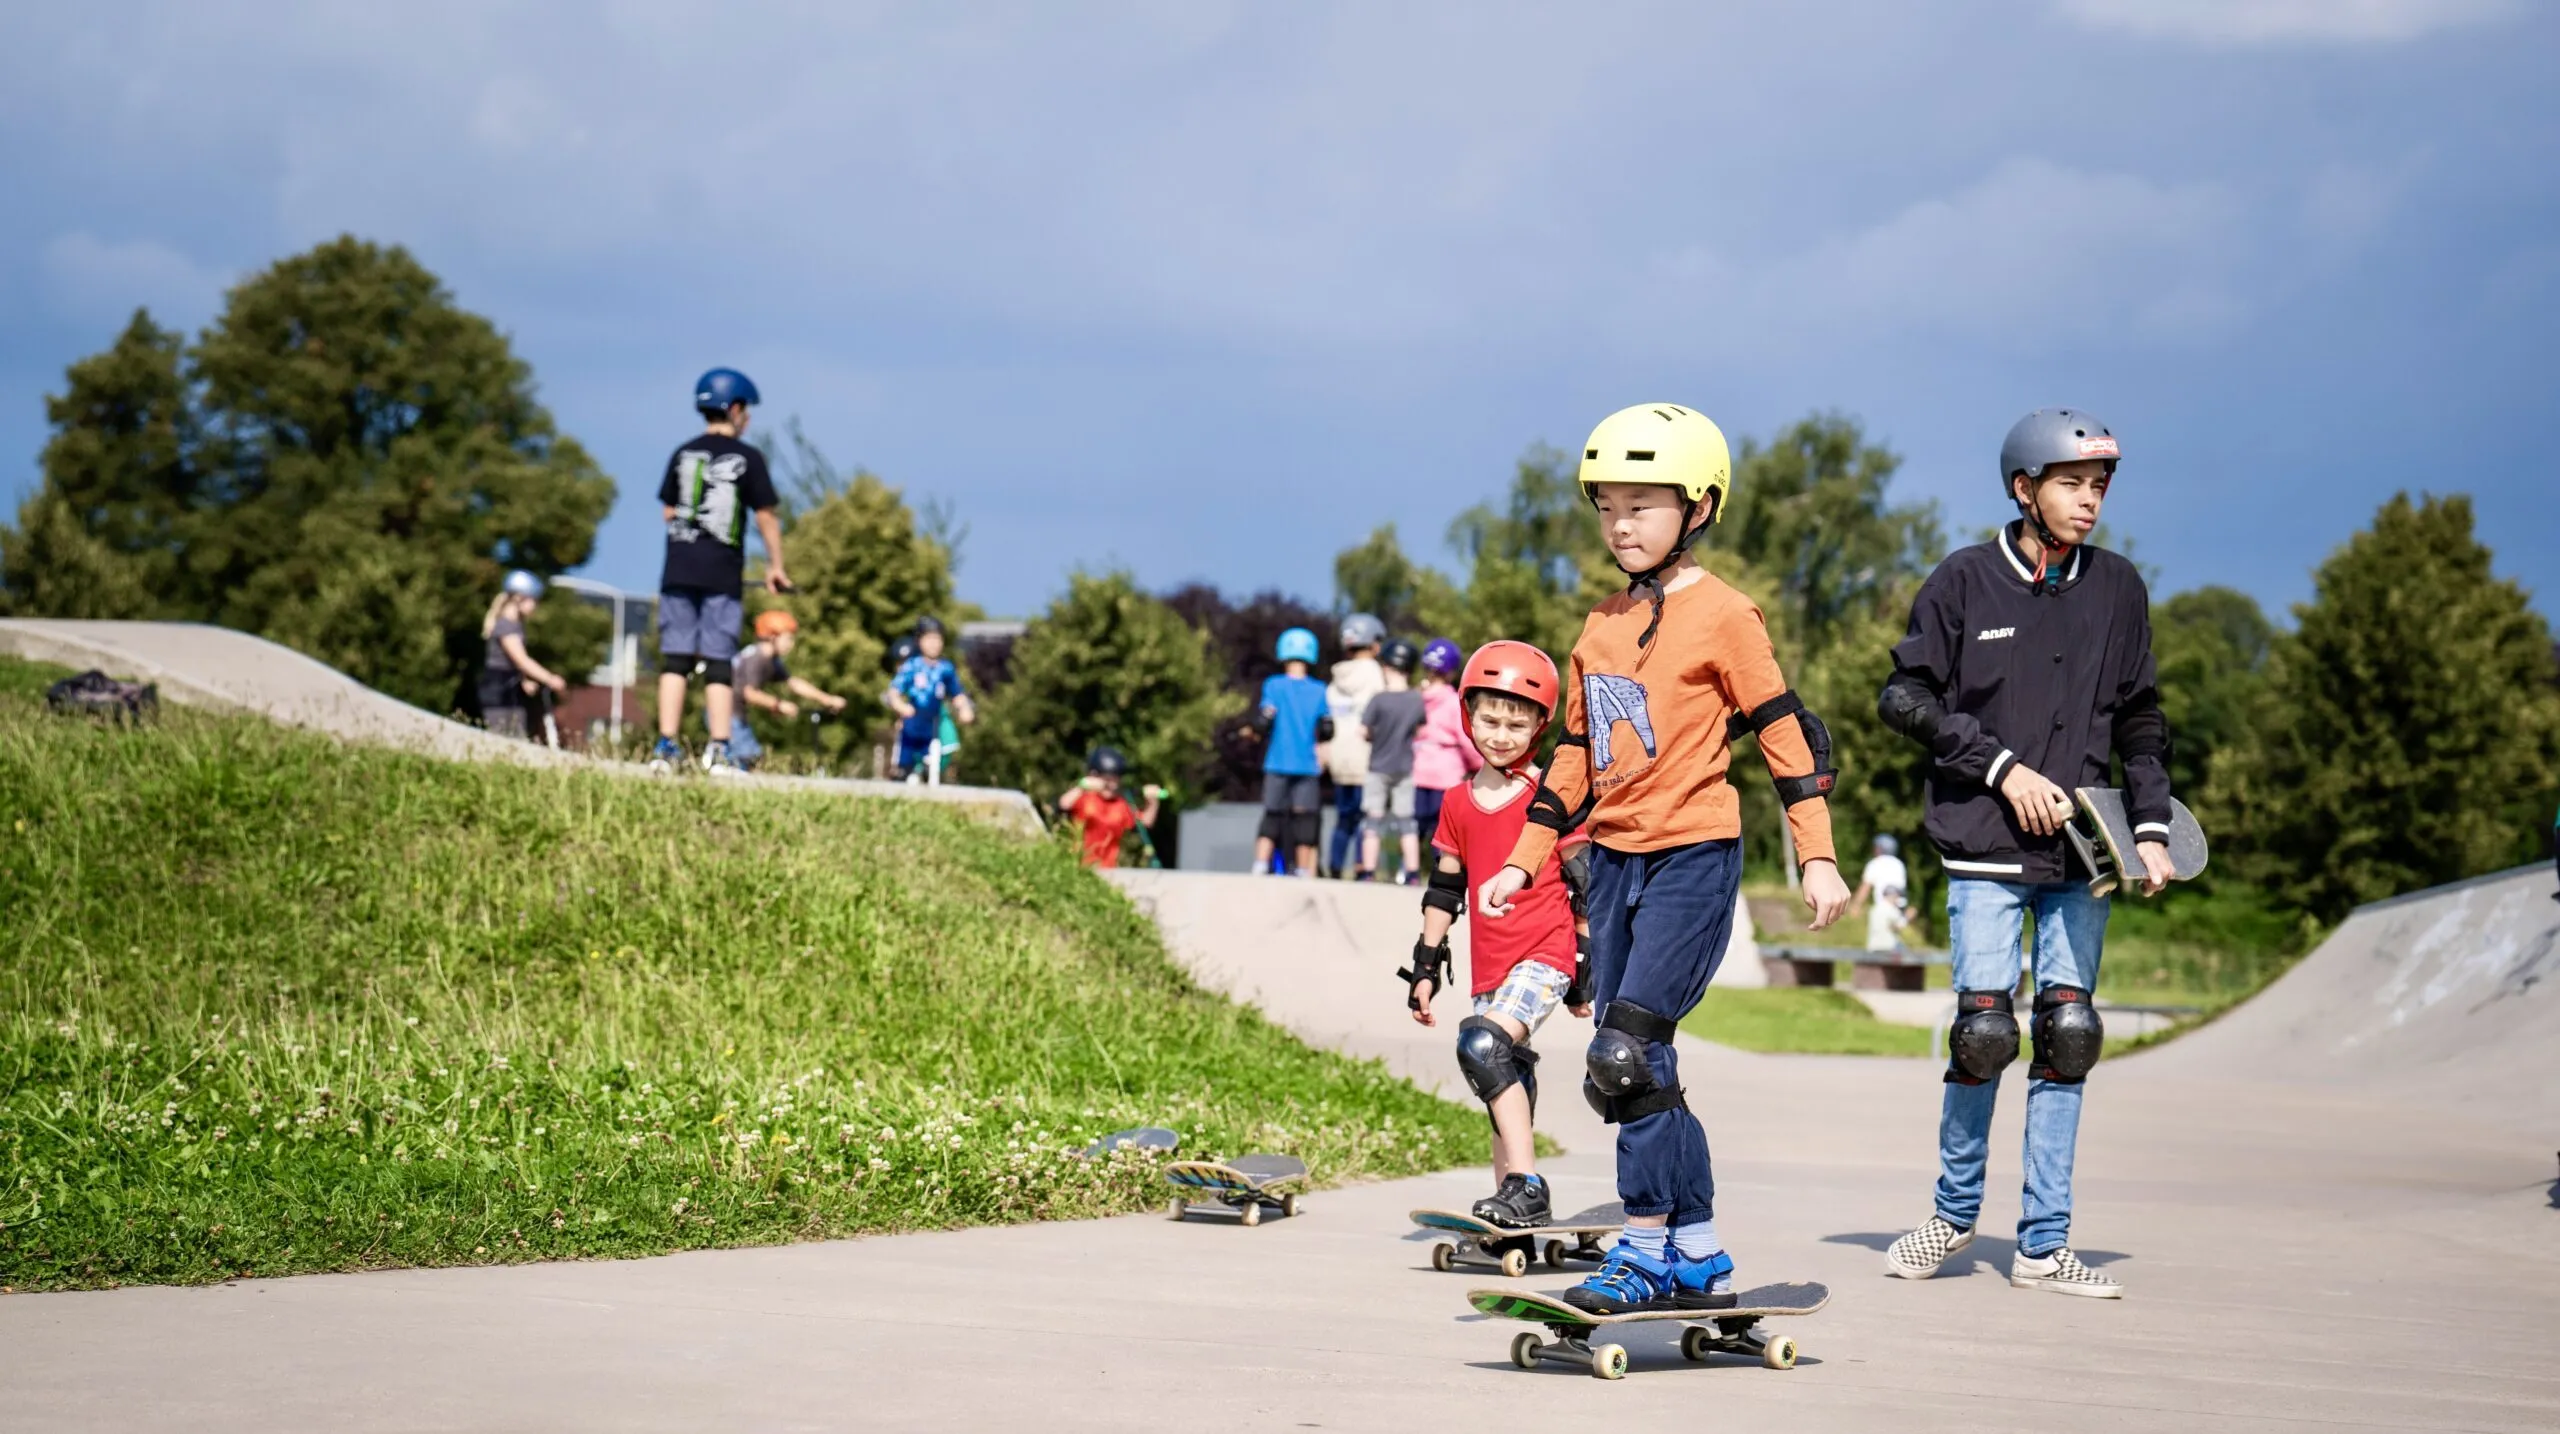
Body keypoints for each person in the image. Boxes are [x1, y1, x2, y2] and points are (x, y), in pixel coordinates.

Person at [1479, 402, 1852, 1315]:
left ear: (1699, 508)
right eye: (1607, 507)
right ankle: (1698, 1252)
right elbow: (1574, 755)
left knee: (1624, 1053)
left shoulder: (1727, 615)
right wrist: (1525, 859)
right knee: (1640, 1068)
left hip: (1693, 857)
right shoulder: (1599, 626)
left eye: (1641, 505)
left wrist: (1817, 856)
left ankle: (1643, 1250)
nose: (1621, 524)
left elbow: (1785, 735)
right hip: (1612, 863)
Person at [1875, 407, 2176, 1300]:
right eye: (2072, 485)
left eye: (2099, 486)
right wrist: (2002, 770)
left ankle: (2044, 1246)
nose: (2090, 501)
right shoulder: (1966, 580)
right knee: (1984, 1032)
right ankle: (1951, 1217)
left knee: (2069, 1036)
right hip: (1984, 844)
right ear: (2023, 489)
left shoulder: (2118, 587)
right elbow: (1904, 697)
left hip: (2083, 854)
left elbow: (2141, 717)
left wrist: (2150, 827)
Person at [1402, 639, 1591, 1228]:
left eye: (1516, 724)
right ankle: (1510, 1209)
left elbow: (1583, 881)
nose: (1501, 735)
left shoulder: (1549, 797)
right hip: (1490, 963)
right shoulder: (1456, 802)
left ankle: (1526, 1184)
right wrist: (1425, 968)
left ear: (1539, 726)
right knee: (1506, 1080)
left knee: (1483, 1047)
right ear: (1468, 715)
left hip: (1546, 951)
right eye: (1490, 720)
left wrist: (1586, 964)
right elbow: (1444, 890)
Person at [650, 368, 790, 777]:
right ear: (735, 408)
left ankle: (666, 746)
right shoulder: (748, 458)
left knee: (675, 659)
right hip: (721, 573)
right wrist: (776, 567)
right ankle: (720, 748)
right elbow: (765, 516)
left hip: (677, 569)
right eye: (747, 411)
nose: (748, 419)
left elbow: (669, 511)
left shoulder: (683, 453)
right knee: (718, 661)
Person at [726, 610, 848, 773]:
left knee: (747, 761)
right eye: (788, 638)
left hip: (736, 715)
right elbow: (749, 693)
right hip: (727, 715)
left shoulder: (770, 659)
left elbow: (793, 683)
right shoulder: (757, 658)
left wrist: (826, 699)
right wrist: (778, 705)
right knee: (751, 759)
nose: (791, 644)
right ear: (772, 637)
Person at [1254, 626, 1333, 876]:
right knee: (1304, 819)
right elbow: (1327, 729)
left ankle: (1260, 865)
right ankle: (1302, 869)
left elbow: (1264, 719)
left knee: (1272, 815)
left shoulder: (1273, 685)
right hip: (1307, 763)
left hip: (1277, 760)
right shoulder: (1319, 689)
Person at [1361, 638, 1429, 883]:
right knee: (1406, 821)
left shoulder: (1378, 699)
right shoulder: (1416, 699)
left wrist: (1376, 736)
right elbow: (1420, 729)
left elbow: (1363, 731)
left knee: (1373, 819)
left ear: (1387, 666)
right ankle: (1412, 872)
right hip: (1404, 767)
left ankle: (1368, 871)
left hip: (1378, 766)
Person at [1325, 614, 1387, 877]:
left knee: (1343, 817)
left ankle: (1335, 865)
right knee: (1366, 817)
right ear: (1373, 643)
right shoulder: (1375, 674)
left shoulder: (1337, 678)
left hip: (1339, 757)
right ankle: (1363, 867)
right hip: (1366, 757)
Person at [479, 570, 569, 741]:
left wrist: (524, 679)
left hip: (510, 687)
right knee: (503, 739)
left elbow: (512, 662)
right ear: (519, 598)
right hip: (498, 689)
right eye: (533, 600)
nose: (535, 605)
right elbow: (521, 660)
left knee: (517, 737)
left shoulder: (516, 625)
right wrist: (550, 679)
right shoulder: (506, 626)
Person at [1411, 637, 1480, 856]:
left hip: (1417, 772)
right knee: (1441, 833)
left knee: (1413, 829)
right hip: (1446, 775)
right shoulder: (1453, 702)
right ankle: (1439, 870)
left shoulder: (1415, 698)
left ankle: (1408, 869)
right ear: (1452, 671)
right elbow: (1465, 738)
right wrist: (1479, 764)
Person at [885, 616, 974, 781]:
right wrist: (900, 706)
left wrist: (965, 708)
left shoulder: (945, 669)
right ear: (919, 641)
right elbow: (894, 692)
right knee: (904, 770)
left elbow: (957, 694)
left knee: (931, 769)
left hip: (932, 729)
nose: (934, 644)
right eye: (929, 639)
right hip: (910, 728)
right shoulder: (912, 666)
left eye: (937, 639)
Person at [1059, 745, 1164, 869]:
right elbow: (1063, 804)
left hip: (1108, 869)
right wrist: (1082, 785)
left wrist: (1153, 802)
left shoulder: (1121, 805)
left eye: (1116, 780)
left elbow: (1145, 823)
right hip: (1077, 866)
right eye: (1108, 780)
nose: (1113, 786)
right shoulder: (1084, 798)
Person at [1852, 833, 1915, 957]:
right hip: (1899, 905)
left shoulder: (1875, 863)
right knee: (1894, 934)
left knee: (1880, 941)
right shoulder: (1899, 864)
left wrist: (1856, 906)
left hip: (1883, 905)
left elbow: (1865, 887)